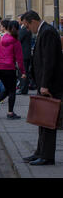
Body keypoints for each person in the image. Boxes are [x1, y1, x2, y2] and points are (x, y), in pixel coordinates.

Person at [21, 11, 63, 166]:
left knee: (48, 122)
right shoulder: (43, 31)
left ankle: (47, 156)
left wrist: (44, 84)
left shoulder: (48, 33)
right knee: (42, 120)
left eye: (26, 25)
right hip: (44, 84)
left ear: (32, 21)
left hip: (50, 86)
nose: (26, 29)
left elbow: (49, 61)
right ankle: (39, 152)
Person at [0, 21, 26, 120]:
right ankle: (10, 113)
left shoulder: (1, 38)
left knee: (8, 88)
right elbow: (19, 59)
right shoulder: (15, 41)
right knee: (12, 91)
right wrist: (23, 72)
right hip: (9, 68)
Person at [17, 14, 32, 95]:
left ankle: (23, 89)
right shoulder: (26, 29)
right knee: (24, 71)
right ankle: (23, 88)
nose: (18, 21)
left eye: (19, 19)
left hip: (23, 54)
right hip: (26, 53)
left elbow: (18, 40)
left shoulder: (23, 29)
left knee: (22, 72)